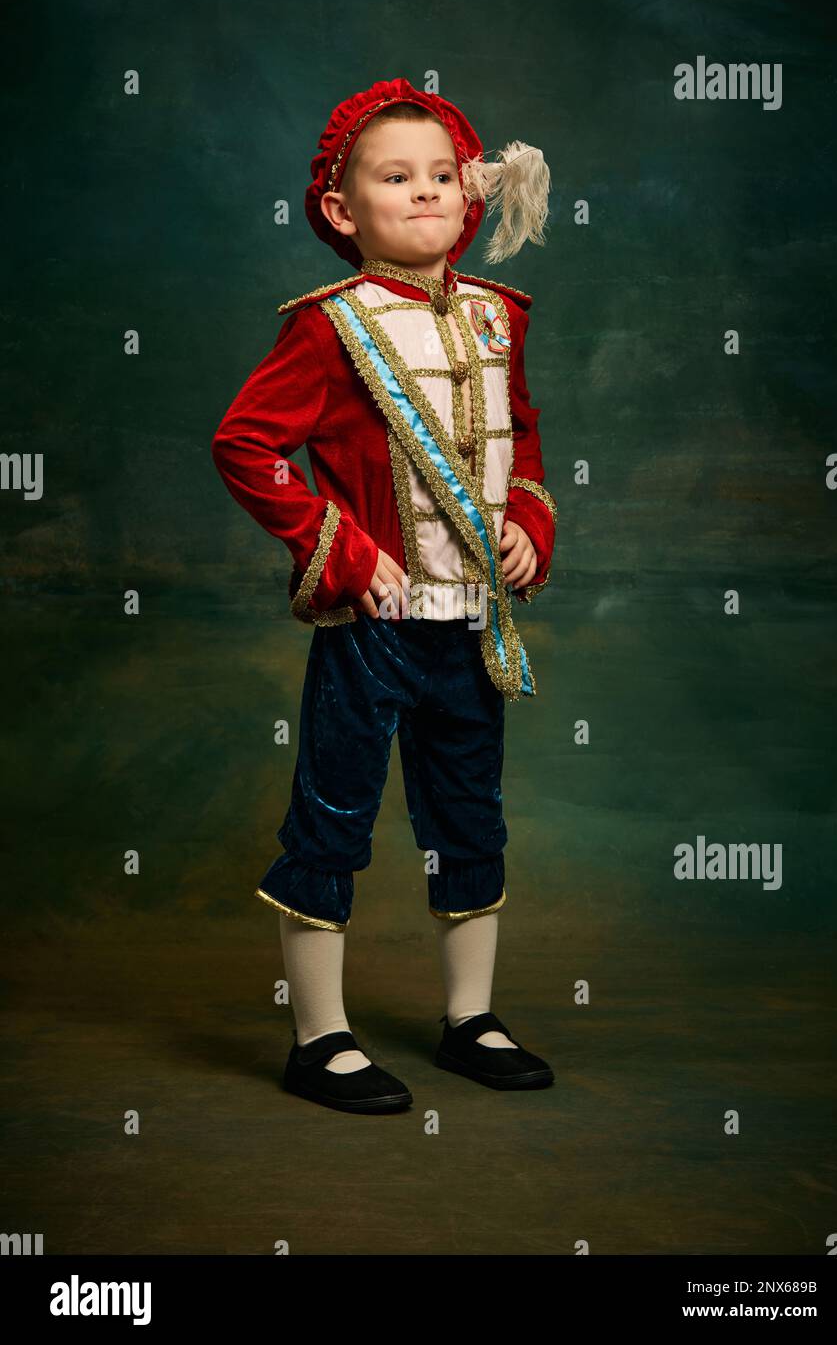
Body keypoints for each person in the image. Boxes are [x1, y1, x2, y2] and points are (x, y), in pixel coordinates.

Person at [211, 77, 558, 1114]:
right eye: (393, 177)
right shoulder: (330, 326)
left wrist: (532, 519)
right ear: (340, 209)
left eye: (442, 176)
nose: (423, 193)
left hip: (472, 625)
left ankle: (470, 1017)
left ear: (471, 197)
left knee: (470, 817)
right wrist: (344, 551)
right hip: (377, 628)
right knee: (333, 818)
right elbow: (246, 444)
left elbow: (525, 435)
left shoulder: (502, 317)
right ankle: (321, 1038)